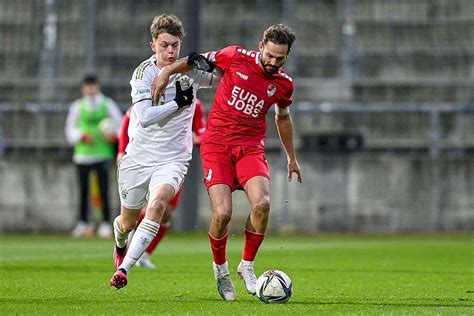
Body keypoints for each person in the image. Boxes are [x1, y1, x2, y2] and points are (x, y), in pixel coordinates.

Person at [151, 24, 302, 301]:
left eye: (279, 58)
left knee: (263, 204)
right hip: (217, 145)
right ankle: (220, 269)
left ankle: (246, 266)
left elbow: (282, 117)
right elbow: (196, 60)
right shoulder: (233, 56)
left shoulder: (284, 84)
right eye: (269, 55)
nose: (272, 62)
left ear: (287, 56)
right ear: (260, 46)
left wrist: (292, 157)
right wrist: (166, 72)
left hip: (250, 147)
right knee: (222, 214)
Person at [109, 14, 218, 289]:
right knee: (127, 221)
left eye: (175, 45)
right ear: (153, 46)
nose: (170, 51)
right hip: (139, 156)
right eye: (165, 45)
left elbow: (221, 77)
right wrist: (177, 104)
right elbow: (143, 117)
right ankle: (120, 241)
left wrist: (209, 60)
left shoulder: (190, 70)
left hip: (174, 158)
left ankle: (124, 269)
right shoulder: (142, 73)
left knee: (157, 206)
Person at [116, 98, 206, 268]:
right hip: (142, 161)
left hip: (172, 162)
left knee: (164, 212)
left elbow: (202, 131)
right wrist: (122, 150)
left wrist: (196, 138)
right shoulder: (150, 97)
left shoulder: (194, 103)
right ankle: (126, 235)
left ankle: (143, 255)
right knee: (135, 215)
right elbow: (130, 117)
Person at [65, 74, 123, 238]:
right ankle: (83, 222)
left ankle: (105, 223)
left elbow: (119, 124)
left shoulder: (107, 104)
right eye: (88, 86)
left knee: (104, 190)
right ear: (83, 88)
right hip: (82, 155)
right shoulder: (77, 106)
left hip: (102, 154)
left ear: (98, 87)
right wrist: (80, 136)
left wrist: (114, 136)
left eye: (93, 86)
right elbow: (70, 129)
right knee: (83, 191)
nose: (90, 89)